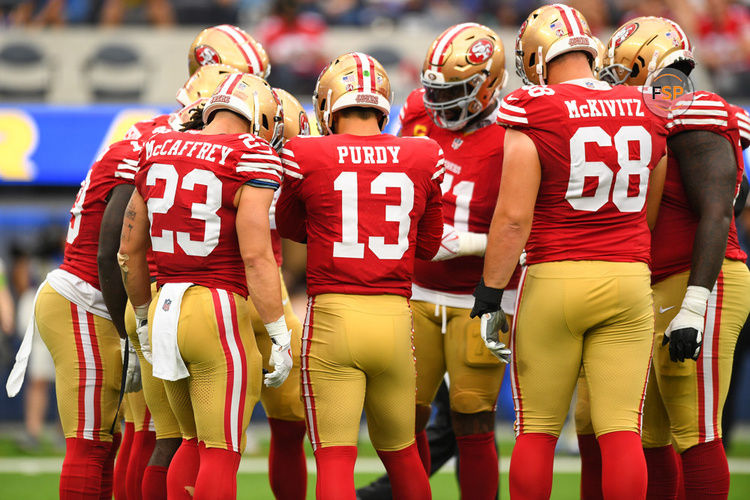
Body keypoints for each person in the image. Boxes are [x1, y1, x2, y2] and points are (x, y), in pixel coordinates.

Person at [470, 4, 669, 499]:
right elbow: (650, 209)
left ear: (537, 56)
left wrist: (490, 293)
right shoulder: (647, 106)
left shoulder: (531, 107)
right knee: (622, 428)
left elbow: (513, 218)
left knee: (537, 428)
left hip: (556, 276)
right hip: (627, 277)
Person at [574, 17, 750, 499]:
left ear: (645, 64)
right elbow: (737, 192)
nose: (614, 87)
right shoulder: (663, 122)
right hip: (652, 285)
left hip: (698, 282)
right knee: (649, 438)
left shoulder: (695, 113)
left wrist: (694, 304)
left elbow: (719, 212)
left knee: (696, 431)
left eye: (620, 73)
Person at [102, 24, 271, 497]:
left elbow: (123, 248)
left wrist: (136, 318)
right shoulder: (250, 152)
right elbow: (258, 254)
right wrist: (277, 329)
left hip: (159, 302)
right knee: (220, 448)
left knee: (174, 441)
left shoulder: (151, 142)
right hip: (217, 303)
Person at [275, 51, 443, 500]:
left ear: (329, 104)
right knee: (403, 453)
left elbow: (291, 229)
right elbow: (427, 246)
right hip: (394, 319)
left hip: (334, 316)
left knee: (334, 457)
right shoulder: (423, 153)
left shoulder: (305, 152)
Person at [390, 22, 512, 499]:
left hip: (476, 295)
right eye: (435, 90)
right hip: (417, 289)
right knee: (405, 413)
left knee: (472, 414)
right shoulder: (417, 112)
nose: (440, 104)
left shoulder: (514, 131)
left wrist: (467, 244)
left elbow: (528, 226)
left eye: (455, 92)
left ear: (488, 85)